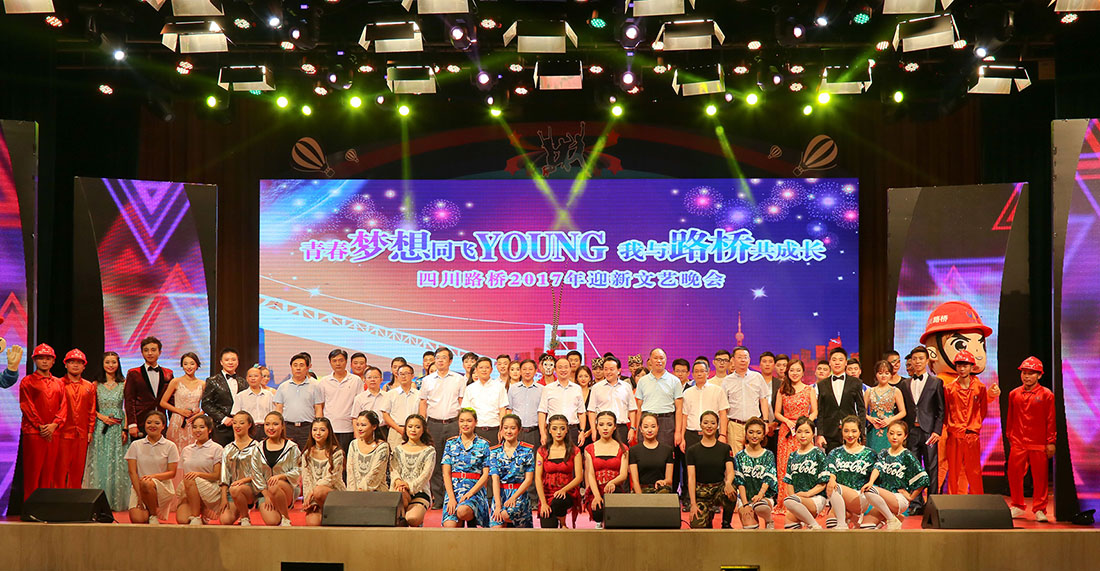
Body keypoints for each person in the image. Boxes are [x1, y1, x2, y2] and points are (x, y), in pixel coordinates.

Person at [1007, 357, 1056, 522]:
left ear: (1039, 375)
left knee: (1040, 477)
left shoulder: (1047, 395)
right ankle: (1017, 505)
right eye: (1024, 373)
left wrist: (1051, 441)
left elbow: (1051, 419)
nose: (1027, 377)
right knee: (1014, 474)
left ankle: (1040, 509)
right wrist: (1010, 436)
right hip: (1018, 442)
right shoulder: (1014, 394)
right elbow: (1010, 417)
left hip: (1038, 442)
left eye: (1031, 373)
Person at [943, 349, 998, 495]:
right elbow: (946, 412)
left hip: (972, 435)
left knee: (974, 470)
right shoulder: (949, 388)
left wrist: (974, 426)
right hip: (954, 435)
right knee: (953, 470)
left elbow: (983, 410)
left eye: (965, 365)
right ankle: (953, 501)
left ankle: (977, 500)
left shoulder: (979, 387)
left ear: (971, 367)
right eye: (959, 365)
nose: (962, 369)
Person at [419, 347, 467, 509]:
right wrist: (423, 425)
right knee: (436, 461)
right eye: (437, 357)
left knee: (454, 461)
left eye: (444, 357)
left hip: (453, 424)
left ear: (450, 361)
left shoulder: (458, 379)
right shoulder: (427, 380)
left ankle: (453, 497)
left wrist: (461, 425)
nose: (440, 360)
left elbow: (462, 402)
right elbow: (423, 403)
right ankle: (438, 499)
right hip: (433, 424)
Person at [861, 420, 930, 530]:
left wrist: (911, 497)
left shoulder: (907, 455)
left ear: (905, 436)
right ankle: (894, 518)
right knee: (866, 527)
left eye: (899, 434)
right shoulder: (884, 453)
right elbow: (877, 468)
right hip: (883, 500)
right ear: (887, 434)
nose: (894, 437)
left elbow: (924, 478)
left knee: (870, 490)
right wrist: (871, 482)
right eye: (891, 433)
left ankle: (891, 519)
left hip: (898, 499)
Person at [19, 343, 67, 499]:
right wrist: (40, 425)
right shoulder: (27, 381)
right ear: (34, 360)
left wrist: (54, 425)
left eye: (48, 358)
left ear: (53, 361)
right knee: (33, 472)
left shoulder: (59, 383)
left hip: (53, 432)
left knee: (49, 471)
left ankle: (45, 506)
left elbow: (63, 406)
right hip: (33, 433)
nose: (44, 361)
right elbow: (27, 405)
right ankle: (30, 507)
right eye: (41, 358)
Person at [84, 351, 130, 510]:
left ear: (118, 364)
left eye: (114, 362)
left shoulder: (124, 383)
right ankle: (100, 502)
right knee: (100, 461)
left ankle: (116, 500)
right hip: (100, 426)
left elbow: (127, 408)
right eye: (107, 362)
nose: (111, 365)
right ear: (102, 365)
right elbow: (90, 407)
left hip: (118, 426)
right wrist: (101, 417)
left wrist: (125, 428)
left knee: (118, 462)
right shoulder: (95, 384)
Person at [904, 345, 944, 515]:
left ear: (927, 361)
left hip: (929, 432)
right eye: (914, 359)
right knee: (913, 468)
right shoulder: (905, 383)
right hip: (912, 431)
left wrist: (937, 431)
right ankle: (916, 503)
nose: (917, 362)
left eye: (921, 358)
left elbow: (941, 410)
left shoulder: (936, 382)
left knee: (931, 467)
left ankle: (933, 502)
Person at [774, 359, 817, 509]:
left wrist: (804, 425)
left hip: (804, 431)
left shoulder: (809, 390)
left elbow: (815, 411)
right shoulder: (782, 390)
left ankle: (805, 500)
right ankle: (785, 501)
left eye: (798, 370)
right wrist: (787, 421)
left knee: (804, 464)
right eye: (792, 370)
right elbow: (777, 413)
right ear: (787, 372)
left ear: (803, 372)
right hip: (787, 431)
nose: (795, 373)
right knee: (785, 465)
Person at [124, 411, 178, 524]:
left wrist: (152, 477)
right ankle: (148, 510)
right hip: (139, 486)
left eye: (157, 423)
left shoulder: (170, 446)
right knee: (138, 520)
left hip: (162, 486)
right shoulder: (135, 445)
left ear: (163, 426)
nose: (152, 425)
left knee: (147, 482)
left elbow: (172, 473)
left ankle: (153, 514)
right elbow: (132, 472)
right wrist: (139, 496)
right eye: (149, 422)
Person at [824, 415, 877, 529]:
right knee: (831, 522)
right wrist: (832, 479)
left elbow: (878, 477)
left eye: (854, 431)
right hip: (839, 498)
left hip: (860, 497)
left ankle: (843, 523)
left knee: (836, 488)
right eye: (846, 431)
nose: (850, 435)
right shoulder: (835, 453)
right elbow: (831, 472)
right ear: (842, 432)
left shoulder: (869, 454)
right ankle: (851, 518)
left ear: (860, 432)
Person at [442, 408, 492, 528]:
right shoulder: (451, 444)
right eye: (462, 421)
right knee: (450, 527)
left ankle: (473, 521)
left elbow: (486, 474)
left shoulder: (483, 444)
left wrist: (470, 493)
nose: (465, 424)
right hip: (454, 490)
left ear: (476, 422)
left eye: (469, 421)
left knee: (462, 511)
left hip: (474, 490)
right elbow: (446, 473)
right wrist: (451, 498)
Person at [686, 410, 735, 529]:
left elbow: (730, 471)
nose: (709, 426)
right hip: (701, 492)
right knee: (698, 526)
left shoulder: (725, 448)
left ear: (717, 426)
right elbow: (691, 478)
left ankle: (726, 523)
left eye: (713, 423)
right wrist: (693, 504)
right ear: (700, 425)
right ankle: (708, 516)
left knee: (732, 491)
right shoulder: (692, 450)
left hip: (718, 489)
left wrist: (728, 483)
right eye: (706, 423)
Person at [535, 414, 583, 528]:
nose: (558, 432)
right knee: (548, 527)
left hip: (568, 492)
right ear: (549, 430)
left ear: (567, 430)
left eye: (562, 428)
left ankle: (563, 524)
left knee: (559, 500)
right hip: (548, 493)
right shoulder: (542, 451)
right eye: (555, 428)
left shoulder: (574, 450)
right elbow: (538, 478)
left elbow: (579, 477)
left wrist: (563, 490)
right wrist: (543, 503)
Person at [583, 411, 629, 528]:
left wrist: (612, 482)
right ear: (596, 426)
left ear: (615, 427)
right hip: (596, 490)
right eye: (601, 424)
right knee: (598, 510)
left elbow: (623, 474)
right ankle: (599, 523)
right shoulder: (589, 449)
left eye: (609, 425)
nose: (605, 428)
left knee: (615, 514)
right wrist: (597, 496)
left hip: (614, 490)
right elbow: (590, 474)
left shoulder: (623, 448)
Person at [489, 414, 536, 528]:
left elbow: (528, 480)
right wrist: (498, 505)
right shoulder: (494, 452)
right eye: (505, 428)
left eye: (513, 428)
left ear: (519, 430)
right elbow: (495, 479)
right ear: (501, 430)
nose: (509, 431)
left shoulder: (527, 451)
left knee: (505, 515)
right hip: (500, 495)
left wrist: (514, 497)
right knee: (496, 527)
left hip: (519, 494)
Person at [175, 415, 224, 525]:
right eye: (195, 427)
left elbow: (217, 476)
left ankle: (196, 516)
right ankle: (200, 510)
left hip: (210, 487)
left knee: (190, 479)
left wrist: (198, 475)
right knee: (182, 520)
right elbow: (183, 474)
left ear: (209, 429)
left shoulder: (217, 448)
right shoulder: (187, 450)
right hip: (190, 489)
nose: (198, 430)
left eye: (202, 427)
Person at [816, 347, 867, 452]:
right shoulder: (822, 384)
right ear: (830, 363)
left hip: (851, 432)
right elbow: (820, 411)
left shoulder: (855, 382)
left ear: (845, 363)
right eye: (834, 360)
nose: (837, 363)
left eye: (840, 359)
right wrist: (820, 434)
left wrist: (861, 432)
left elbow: (861, 409)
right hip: (830, 432)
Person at [58, 349, 96, 488]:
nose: (75, 365)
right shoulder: (58, 383)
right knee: (60, 470)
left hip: (82, 433)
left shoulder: (89, 386)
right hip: (62, 433)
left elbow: (91, 410)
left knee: (78, 470)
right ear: (65, 364)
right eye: (72, 362)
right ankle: (58, 497)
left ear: (84, 366)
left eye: (79, 362)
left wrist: (90, 430)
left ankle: (74, 498)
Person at [219, 411, 265, 526]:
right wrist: (223, 498)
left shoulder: (257, 447)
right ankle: (240, 509)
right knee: (225, 520)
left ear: (249, 425)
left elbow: (261, 473)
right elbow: (224, 476)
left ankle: (245, 517)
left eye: (241, 423)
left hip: (252, 489)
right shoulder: (228, 448)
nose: (237, 426)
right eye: (235, 423)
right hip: (232, 491)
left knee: (237, 489)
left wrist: (244, 481)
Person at [781, 417, 828, 529]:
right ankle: (810, 525)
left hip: (815, 498)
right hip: (797, 499)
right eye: (799, 432)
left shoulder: (818, 453)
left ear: (813, 434)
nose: (803, 435)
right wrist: (794, 497)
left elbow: (823, 483)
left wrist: (807, 494)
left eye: (807, 432)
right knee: (789, 522)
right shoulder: (793, 456)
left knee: (789, 501)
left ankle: (815, 526)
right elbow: (789, 482)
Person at [721, 346, 769, 454]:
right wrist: (723, 433)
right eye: (739, 357)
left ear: (749, 360)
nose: (743, 360)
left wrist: (765, 421)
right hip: (735, 425)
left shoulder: (757, 377)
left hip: (754, 425)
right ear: (733, 360)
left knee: (754, 456)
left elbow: (763, 400)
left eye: (745, 357)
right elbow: (723, 408)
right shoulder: (727, 381)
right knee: (736, 458)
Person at [389, 414, 435, 527]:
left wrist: (409, 485)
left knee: (412, 518)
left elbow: (426, 475)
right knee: (399, 495)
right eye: (410, 426)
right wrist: (398, 481)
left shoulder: (429, 451)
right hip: (400, 490)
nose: (413, 430)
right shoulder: (398, 449)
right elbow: (393, 469)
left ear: (423, 430)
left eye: (417, 427)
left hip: (420, 492)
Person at [273, 352, 325, 451]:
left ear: (307, 368)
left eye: (301, 365)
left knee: (306, 455)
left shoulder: (315, 386)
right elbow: (278, 409)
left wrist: (318, 427)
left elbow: (318, 408)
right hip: (288, 427)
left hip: (307, 428)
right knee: (287, 455)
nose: (298, 368)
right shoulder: (283, 386)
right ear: (291, 367)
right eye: (295, 365)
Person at [635, 348, 684, 452]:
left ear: (666, 360)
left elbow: (679, 409)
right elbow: (639, 408)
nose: (659, 361)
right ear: (650, 360)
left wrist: (678, 432)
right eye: (655, 358)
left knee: (665, 454)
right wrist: (637, 430)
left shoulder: (674, 381)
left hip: (667, 421)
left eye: (662, 358)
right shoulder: (642, 381)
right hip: (646, 420)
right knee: (645, 454)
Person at [258, 411, 302, 526]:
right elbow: (255, 473)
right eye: (267, 424)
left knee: (274, 485)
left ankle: (286, 517)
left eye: (275, 424)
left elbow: (298, 470)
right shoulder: (258, 448)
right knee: (272, 521)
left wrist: (281, 476)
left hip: (286, 488)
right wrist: (266, 495)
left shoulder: (292, 447)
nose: (271, 428)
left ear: (282, 426)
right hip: (266, 491)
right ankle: (279, 512)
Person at [124, 336, 172, 440]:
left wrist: (172, 422)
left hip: (161, 421)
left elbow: (171, 401)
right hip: (141, 421)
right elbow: (129, 400)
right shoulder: (133, 373)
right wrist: (132, 424)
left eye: (153, 350)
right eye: (146, 350)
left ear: (160, 352)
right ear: (142, 353)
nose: (150, 353)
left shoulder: (168, 373)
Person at [733, 417, 777, 529]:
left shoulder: (768, 455)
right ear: (746, 434)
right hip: (745, 498)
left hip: (764, 497)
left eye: (758, 433)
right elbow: (740, 482)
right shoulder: (739, 456)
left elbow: (768, 478)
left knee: (760, 506)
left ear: (763, 435)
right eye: (751, 432)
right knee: (750, 528)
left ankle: (769, 520)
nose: (754, 436)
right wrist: (745, 504)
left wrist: (760, 495)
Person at [300, 417, 346, 526]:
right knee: (313, 524)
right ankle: (321, 509)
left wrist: (313, 492)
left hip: (333, 493)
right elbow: (307, 480)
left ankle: (335, 513)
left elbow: (332, 478)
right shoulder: (307, 453)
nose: (318, 433)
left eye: (322, 430)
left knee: (319, 491)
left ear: (329, 431)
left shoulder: (337, 452)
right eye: (315, 429)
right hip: (314, 497)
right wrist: (310, 500)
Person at [680, 358, 730, 453]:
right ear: (692, 374)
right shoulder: (687, 392)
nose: (699, 374)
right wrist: (682, 437)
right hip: (691, 435)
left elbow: (723, 414)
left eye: (702, 371)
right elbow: (684, 416)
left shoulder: (717, 390)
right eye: (696, 371)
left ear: (708, 373)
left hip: (712, 434)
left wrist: (723, 435)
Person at [318, 348, 363, 452]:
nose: (338, 363)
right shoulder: (324, 381)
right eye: (334, 361)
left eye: (341, 360)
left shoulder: (356, 380)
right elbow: (320, 405)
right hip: (329, 428)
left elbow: (360, 405)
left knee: (346, 458)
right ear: (330, 362)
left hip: (349, 428)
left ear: (346, 362)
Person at [537, 356, 586, 447]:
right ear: (555, 369)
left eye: (566, 367)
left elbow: (581, 412)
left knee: (573, 455)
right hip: (553, 430)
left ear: (570, 369)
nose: (563, 370)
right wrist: (542, 433)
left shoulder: (577, 388)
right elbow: (542, 412)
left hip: (572, 429)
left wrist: (582, 431)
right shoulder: (548, 388)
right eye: (560, 367)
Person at [589, 356, 638, 445]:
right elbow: (591, 411)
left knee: (622, 452)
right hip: (602, 428)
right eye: (606, 369)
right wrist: (593, 430)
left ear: (619, 370)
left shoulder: (626, 387)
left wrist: (632, 428)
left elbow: (632, 409)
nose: (608, 372)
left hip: (621, 428)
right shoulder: (596, 387)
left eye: (611, 369)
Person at [200, 347, 243, 446]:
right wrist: (223, 418)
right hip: (220, 428)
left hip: (240, 428)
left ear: (237, 362)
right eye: (227, 360)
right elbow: (206, 404)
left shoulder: (243, 382)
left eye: (233, 360)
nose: (230, 362)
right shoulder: (212, 381)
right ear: (221, 362)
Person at [161, 352, 205, 450]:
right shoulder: (175, 382)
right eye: (185, 364)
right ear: (182, 366)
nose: (189, 367)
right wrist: (180, 411)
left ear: (197, 365)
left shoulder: (202, 384)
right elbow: (163, 402)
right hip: (177, 421)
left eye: (192, 364)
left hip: (194, 422)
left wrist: (198, 415)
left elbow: (207, 406)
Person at [864, 360, 907, 453]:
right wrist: (870, 419)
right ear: (876, 374)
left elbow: (903, 412)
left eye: (887, 373)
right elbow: (862, 411)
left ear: (891, 374)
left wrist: (889, 420)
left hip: (890, 429)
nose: (883, 376)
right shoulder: (869, 391)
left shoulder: (896, 391)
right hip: (874, 429)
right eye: (880, 373)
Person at [464, 356, 509, 444]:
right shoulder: (470, 388)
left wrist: (502, 429)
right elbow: (466, 411)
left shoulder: (499, 387)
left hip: (494, 429)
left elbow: (502, 410)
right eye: (481, 368)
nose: (484, 370)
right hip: (475, 430)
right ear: (476, 369)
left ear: (491, 370)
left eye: (487, 367)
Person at [629, 412, 674, 493]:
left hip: (661, 491)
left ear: (658, 428)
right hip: (640, 491)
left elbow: (669, 479)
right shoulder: (634, 450)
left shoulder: (667, 450)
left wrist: (664, 482)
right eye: (646, 427)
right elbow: (635, 481)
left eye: (653, 426)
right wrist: (640, 498)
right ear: (641, 429)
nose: (649, 430)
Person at [346, 410, 390, 492]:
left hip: (376, 492)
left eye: (363, 425)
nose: (359, 428)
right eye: (358, 425)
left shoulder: (382, 446)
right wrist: (352, 493)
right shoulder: (353, 444)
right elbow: (350, 472)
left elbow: (376, 473)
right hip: (355, 493)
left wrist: (361, 489)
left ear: (374, 426)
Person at [381, 364, 420, 449]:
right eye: (401, 374)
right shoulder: (391, 394)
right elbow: (385, 414)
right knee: (395, 455)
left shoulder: (418, 394)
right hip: (396, 431)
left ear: (412, 376)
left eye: (406, 373)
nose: (403, 376)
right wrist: (398, 428)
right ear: (397, 376)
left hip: (414, 431)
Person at [236, 366, 276, 440]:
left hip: (265, 430)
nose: (253, 378)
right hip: (248, 430)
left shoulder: (269, 395)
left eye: (256, 376)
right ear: (247, 379)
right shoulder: (240, 396)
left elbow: (273, 414)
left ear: (261, 378)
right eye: (250, 376)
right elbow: (236, 416)